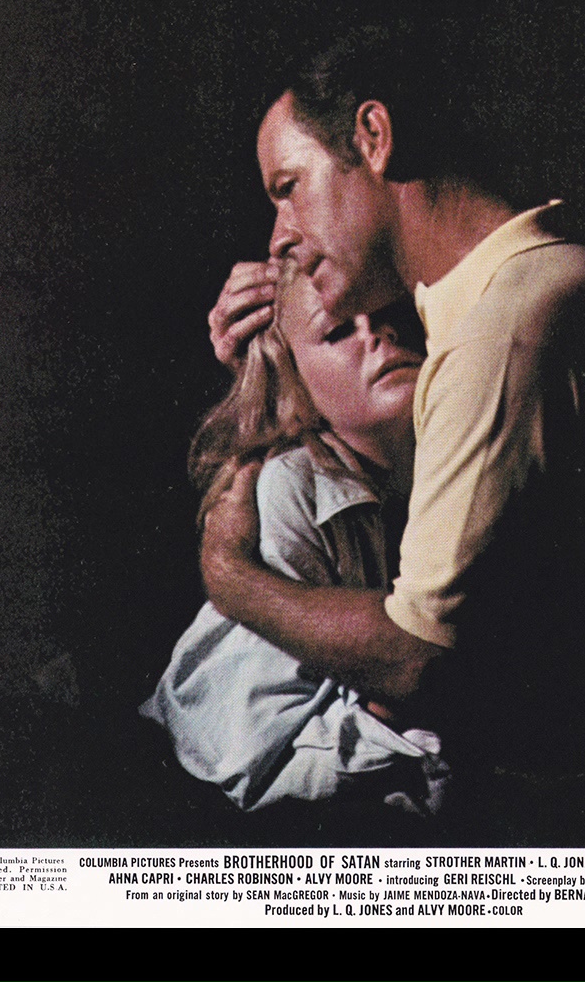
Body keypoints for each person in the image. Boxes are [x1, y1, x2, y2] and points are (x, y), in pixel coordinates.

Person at [200, 28, 585, 797]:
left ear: (375, 138)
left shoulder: (495, 337)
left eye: (288, 188)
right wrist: (271, 363)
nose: (278, 236)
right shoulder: (536, 271)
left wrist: (230, 577)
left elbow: (417, 658)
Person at [142, 260, 450, 814]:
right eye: (338, 331)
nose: (379, 334)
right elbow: (251, 741)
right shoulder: (293, 487)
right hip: (221, 765)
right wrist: (389, 714)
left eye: (391, 313)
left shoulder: (453, 460)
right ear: (297, 381)